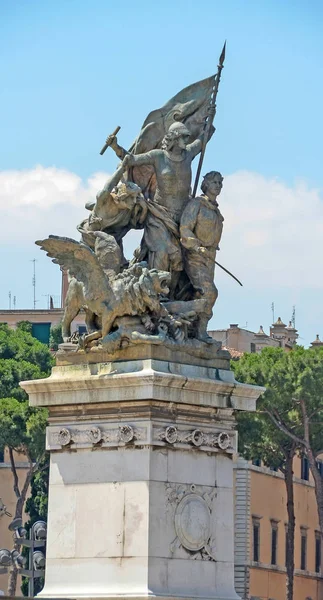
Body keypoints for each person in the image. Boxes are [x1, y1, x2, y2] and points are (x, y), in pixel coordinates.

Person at [121, 119, 213, 297]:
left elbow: (203, 139)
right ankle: (155, 294)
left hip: (182, 217)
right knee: (162, 253)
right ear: (174, 138)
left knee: (179, 258)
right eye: (182, 137)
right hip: (159, 215)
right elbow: (132, 160)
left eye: (186, 137)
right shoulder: (158, 156)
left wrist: (210, 117)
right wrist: (117, 148)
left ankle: (169, 296)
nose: (186, 140)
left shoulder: (189, 154)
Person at [180, 171, 224, 342]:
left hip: (210, 256)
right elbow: (185, 228)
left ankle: (191, 328)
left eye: (220, 182)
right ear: (205, 184)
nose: (218, 185)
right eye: (214, 182)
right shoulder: (197, 204)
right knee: (210, 292)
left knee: (200, 294)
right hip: (195, 255)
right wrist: (196, 246)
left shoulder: (215, 209)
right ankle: (201, 332)